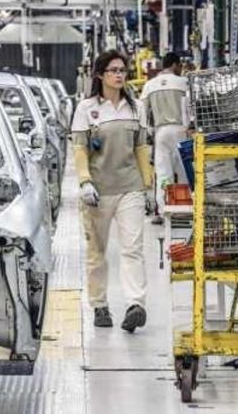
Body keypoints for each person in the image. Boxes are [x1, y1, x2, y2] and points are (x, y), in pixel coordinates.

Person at [71, 50, 152, 332]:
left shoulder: (136, 107)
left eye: (122, 70)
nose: (119, 75)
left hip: (130, 188)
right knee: (97, 252)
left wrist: (148, 185)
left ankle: (135, 305)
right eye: (113, 70)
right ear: (100, 75)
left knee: (133, 249)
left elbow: (141, 148)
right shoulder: (86, 109)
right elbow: (80, 149)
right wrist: (85, 181)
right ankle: (100, 305)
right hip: (98, 191)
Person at [140, 52, 189, 224]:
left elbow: (142, 111)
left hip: (160, 132)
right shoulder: (184, 83)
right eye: (180, 66)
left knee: (163, 173)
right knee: (183, 171)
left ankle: (162, 211)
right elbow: (192, 110)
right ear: (175, 65)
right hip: (182, 131)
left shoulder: (150, 85)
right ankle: (184, 208)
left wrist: (149, 132)